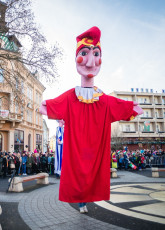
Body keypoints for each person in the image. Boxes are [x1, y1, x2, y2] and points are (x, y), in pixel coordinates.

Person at [39, 26, 143, 213]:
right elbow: (51, 105)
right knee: (78, 173)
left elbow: (119, 105)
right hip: (77, 148)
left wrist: (131, 107)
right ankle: (81, 202)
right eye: (84, 53)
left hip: (95, 148)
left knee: (91, 174)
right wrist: (46, 106)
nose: (89, 62)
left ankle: (84, 201)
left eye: (96, 54)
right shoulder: (72, 97)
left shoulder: (103, 100)